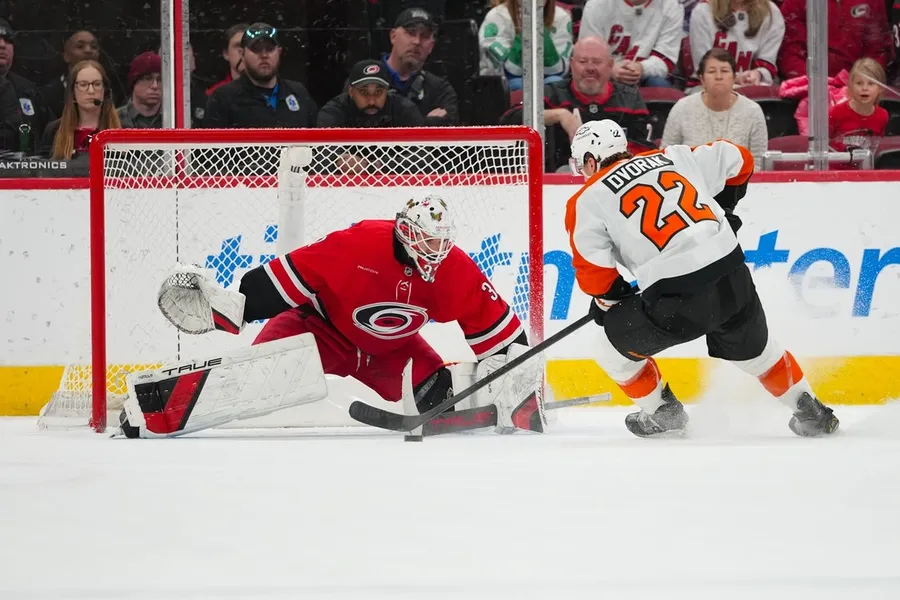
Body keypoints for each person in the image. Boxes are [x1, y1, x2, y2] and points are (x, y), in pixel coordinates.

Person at [122, 196, 536, 437]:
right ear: (407, 232)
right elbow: (282, 282)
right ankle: (150, 409)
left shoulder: (455, 270)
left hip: (392, 351)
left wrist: (518, 383)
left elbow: (501, 334)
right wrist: (237, 307)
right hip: (318, 331)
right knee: (250, 379)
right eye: (427, 239)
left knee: (439, 395)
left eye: (441, 240)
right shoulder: (357, 245)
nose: (436, 249)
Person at [566, 118, 840, 438]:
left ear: (591, 160)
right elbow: (740, 159)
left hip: (677, 299)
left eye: (580, 164)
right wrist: (725, 208)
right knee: (758, 353)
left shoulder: (587, 200)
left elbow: (596, 275)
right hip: (731, 273)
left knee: (609, 351)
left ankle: (663, 413)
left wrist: (610, 301)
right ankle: (810, 410)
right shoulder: (675, 156)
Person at [661, 48, 768, 165]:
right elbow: (665, 158)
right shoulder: (682, 108)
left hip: (740, 177)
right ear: (702, 79)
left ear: (734, 78)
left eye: (725, 71)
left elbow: (758, 163)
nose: (718, 76)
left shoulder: (753, 112)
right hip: (689, 176)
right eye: (712, 72)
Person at [203, 23, 318, 129]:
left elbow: (317, 140)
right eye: (256, 49)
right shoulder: (223, 98)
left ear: (279, 52)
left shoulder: (298, 93)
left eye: (269, 48)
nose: (264, 55)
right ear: (242, 54)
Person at [381, 8, 459, 125]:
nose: (417, 41)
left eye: (425, 36)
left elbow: (448, 130)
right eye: (410, 33)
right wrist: (425, 123)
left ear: (431, 46)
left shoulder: (440, 90)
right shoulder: (365, 79)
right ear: (393, 36)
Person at [579, 0, 683, 87]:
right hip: (602, 73)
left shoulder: (672, 6)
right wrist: (610, 69)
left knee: (659, 85)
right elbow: (587, 54)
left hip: (645, 75)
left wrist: (642, 68)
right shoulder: (596, 4)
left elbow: (666, 58)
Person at [478, 0, 574, 90]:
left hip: (546, 77)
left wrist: (542, 34)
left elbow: (559, 69)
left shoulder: (561, 17)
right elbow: (507, 69)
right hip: (505, 80)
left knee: (555, 83)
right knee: (517, 84)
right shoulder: (497, 16)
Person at [688, 0, 785, 88]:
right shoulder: (703, 11)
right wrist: (735, 78)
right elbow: (703, 67)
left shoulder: (771, 13)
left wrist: (758, 74)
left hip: (754, 88)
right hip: (709, 87)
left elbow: (767, 61)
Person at [41, 60, 121, 160]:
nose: (91, 91)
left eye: (97, 84)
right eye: (83, 85)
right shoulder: (54, 130)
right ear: (73, 92)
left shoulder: (123, 131)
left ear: (105, 91)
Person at [828, 57, 889, 151]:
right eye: (859, 83)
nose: (864, 88)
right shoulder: (835, 113)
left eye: (871, 83)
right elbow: (822, 148)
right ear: (851, 86)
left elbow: (876, 149)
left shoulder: (882, 116)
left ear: (880, 88)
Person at [116, 52, 162, 129]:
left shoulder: (175, 119)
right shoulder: (114, 119)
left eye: (160, 79)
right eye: (147, 78)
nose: (155, 86)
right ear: (134, 82)